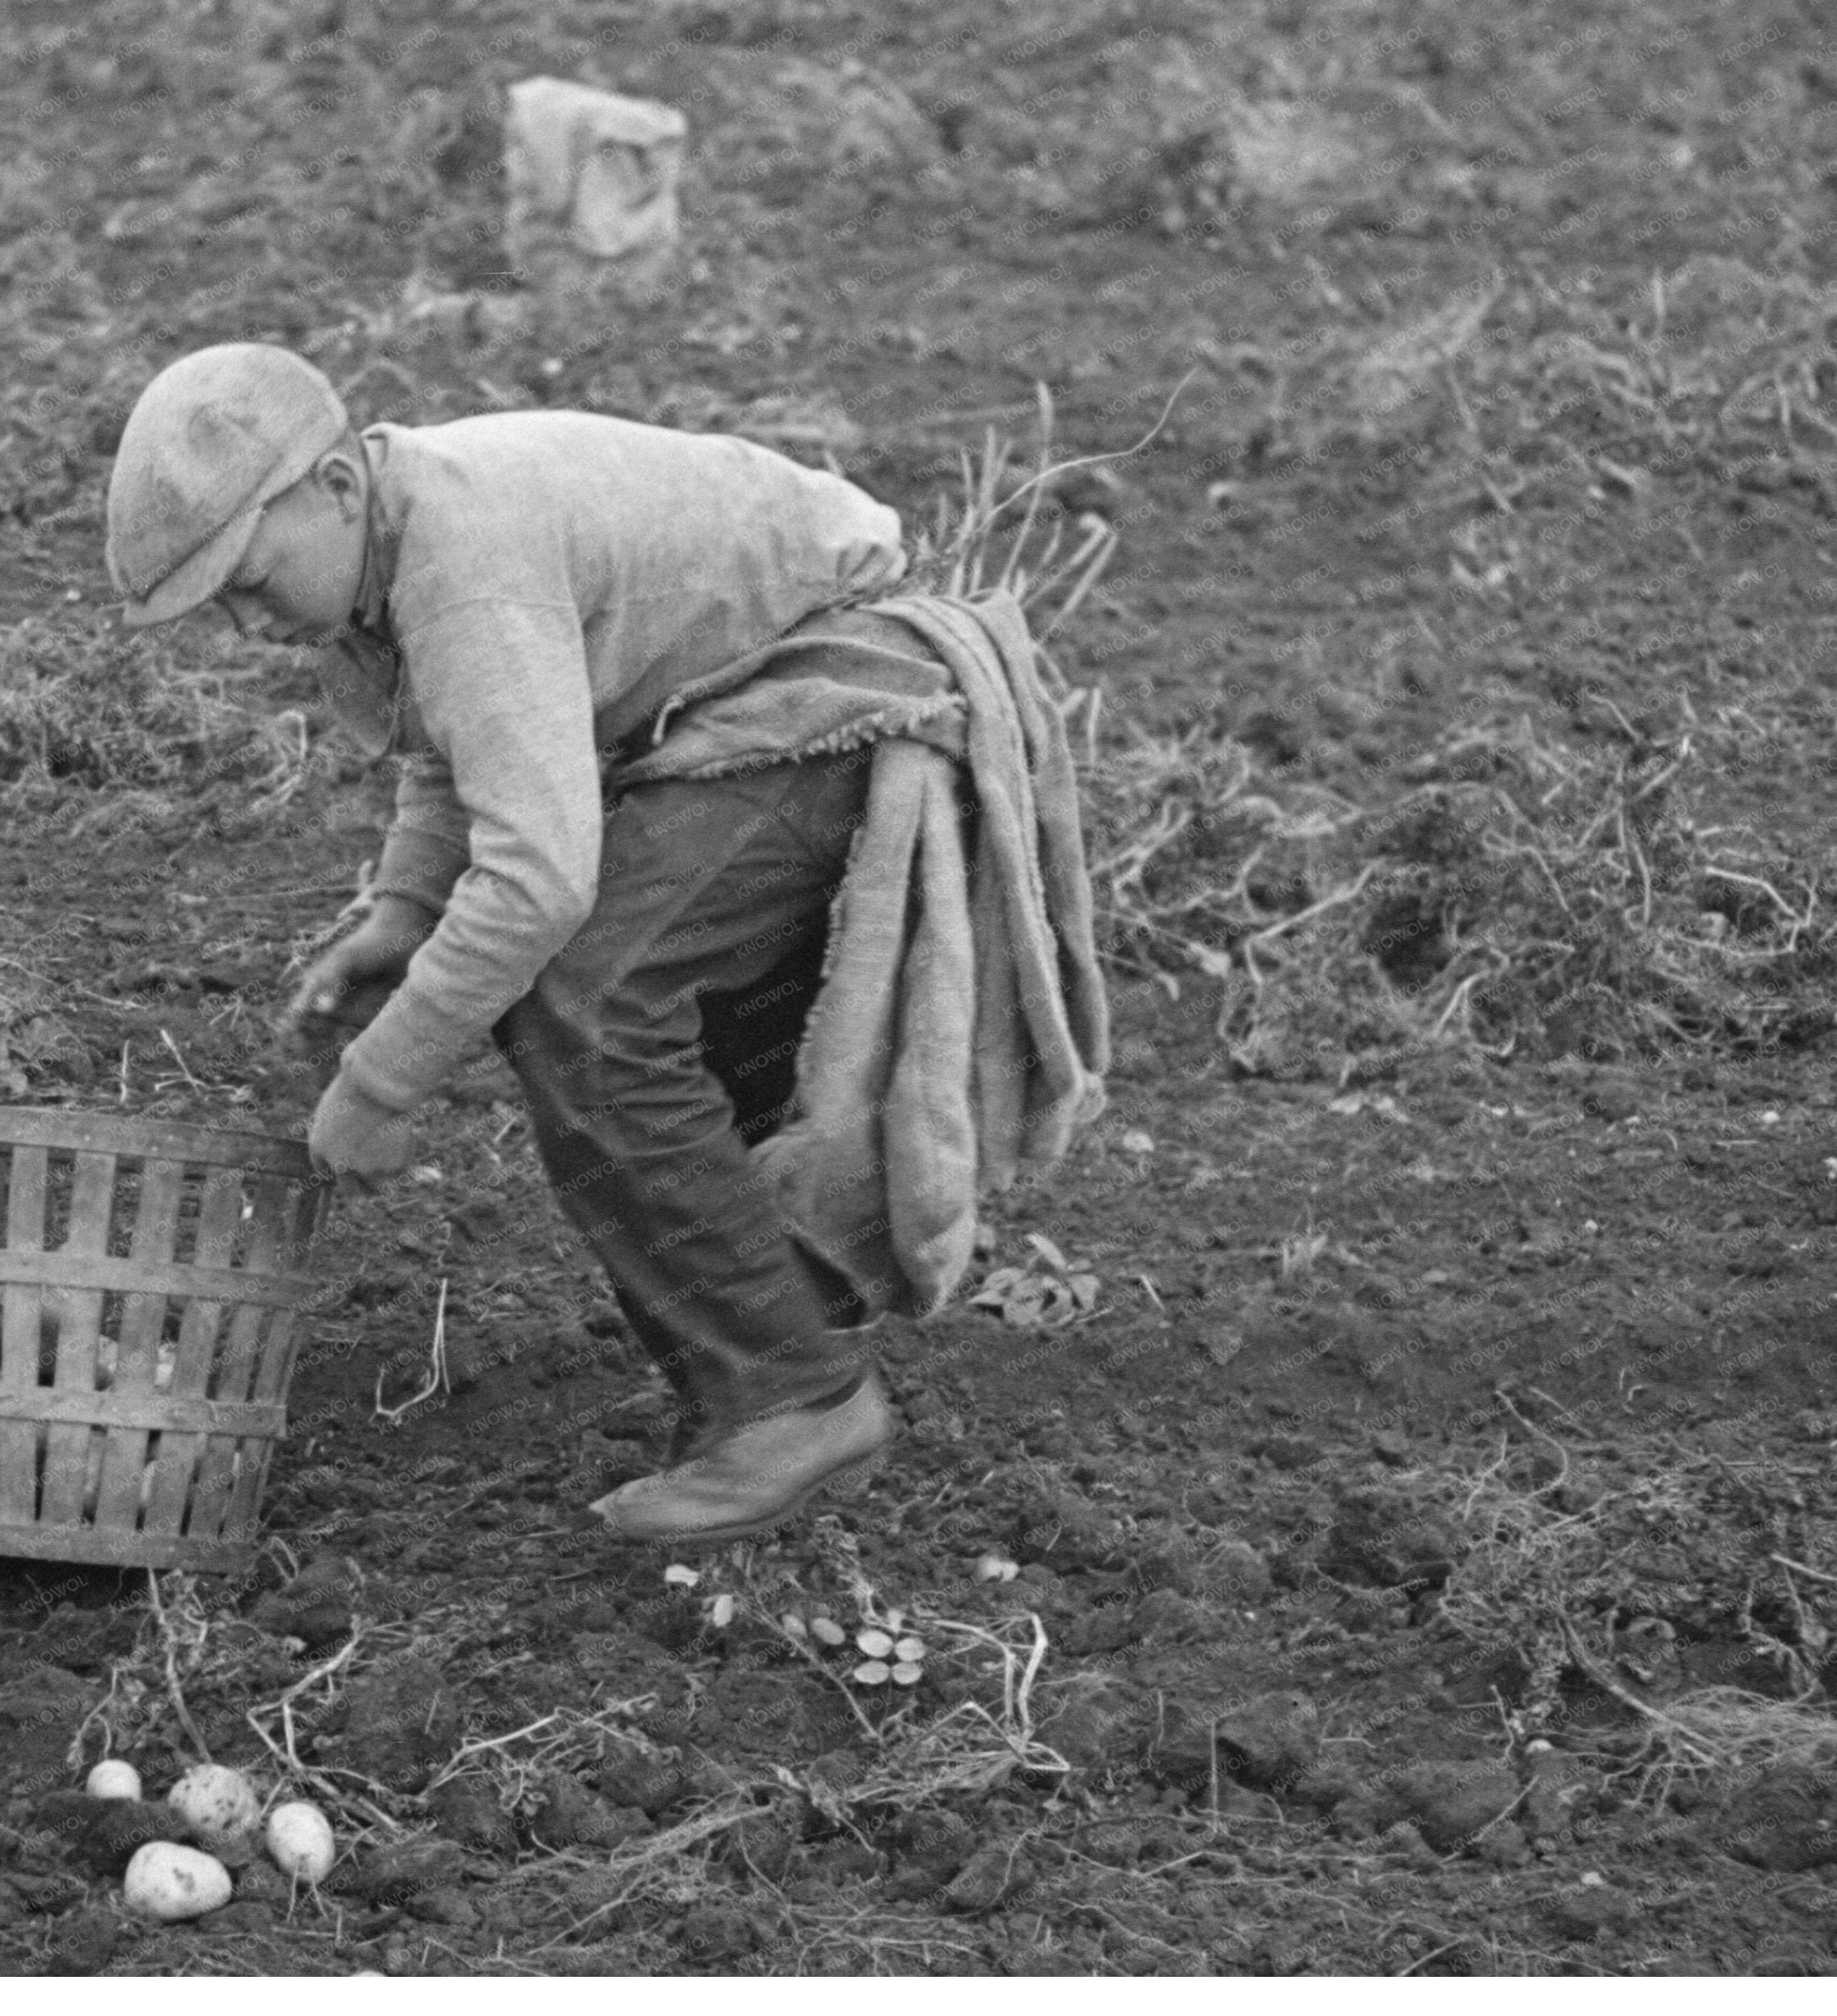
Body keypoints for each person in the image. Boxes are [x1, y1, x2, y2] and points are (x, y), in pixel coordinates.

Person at [104, 344, 1107, 1546]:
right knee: (615, 1001)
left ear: (328, 484)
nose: (245, 619)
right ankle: (773, 1352)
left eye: (251, 581)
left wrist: (379, 1083)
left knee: (587, 993)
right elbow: (460, 737)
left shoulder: (463, 555)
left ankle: (791, 1398)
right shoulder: (395, 531)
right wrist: (402, 914)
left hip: (843, 676)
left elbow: (534, 879)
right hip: (752, 696)